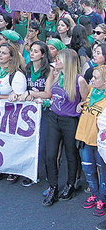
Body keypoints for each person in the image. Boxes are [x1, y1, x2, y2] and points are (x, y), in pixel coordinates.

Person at [43, 49, 88, 207]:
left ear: (67, 61)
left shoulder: (79, 80)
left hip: (70, 120)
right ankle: (53, 187)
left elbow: (86, 98)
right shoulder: (57, 75)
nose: (57, 61)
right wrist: (51, 73)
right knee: (50, 155)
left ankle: (70, 184)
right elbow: (48, 93)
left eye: (59, 59)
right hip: (54, 117)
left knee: (71, 154)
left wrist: (81, 105)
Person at [0, 43, 27, 183]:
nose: (0, 55)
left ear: (11, 57)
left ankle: (14, 169)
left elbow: (20, 96)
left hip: (10, 115)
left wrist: (1, 97)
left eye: (4, 53)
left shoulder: (16, 74)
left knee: (10, 142)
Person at [18, 41, 54, 187]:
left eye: (36, 51)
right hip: (29, 111)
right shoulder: (27, 68)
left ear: (43, 54)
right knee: (28, 142)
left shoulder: (49, 70)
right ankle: (31, 172)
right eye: (31, 51)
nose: (32, 53)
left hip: (45, 111)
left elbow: (48, 93)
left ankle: (46, 170)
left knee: (43, 144)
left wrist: (30, 93)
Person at [76, 65, 106, 217]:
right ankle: (94, 194)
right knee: (88, 170)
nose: (92, 80)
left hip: (100, 144)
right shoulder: (90, 90)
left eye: (96, 78)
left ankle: (102, 199)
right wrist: (80, 106)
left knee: (103, 173)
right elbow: (83, 105)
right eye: (92, 77)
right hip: (85, 138)